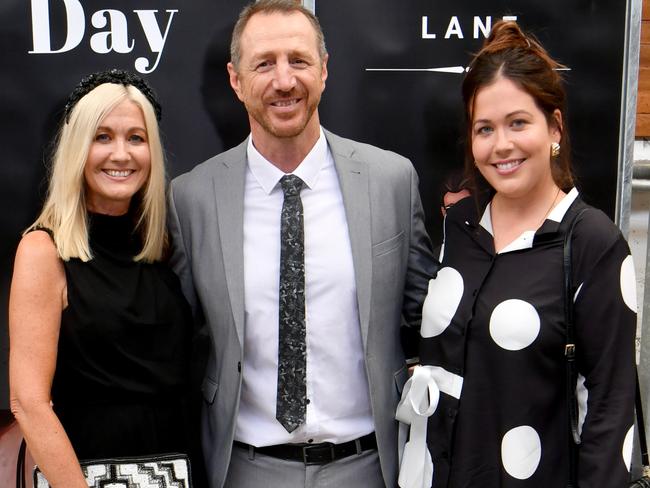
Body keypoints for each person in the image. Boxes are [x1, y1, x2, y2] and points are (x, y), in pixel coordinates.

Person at [167, 1, 436, 487]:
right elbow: (177, 342)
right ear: (235, 79)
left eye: (299, 60)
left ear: (325, 70)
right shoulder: (192, 197)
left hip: (370, 466)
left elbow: (428, 320)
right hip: (244, 468)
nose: (284, 81)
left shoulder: (390, 180)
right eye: (264, 63)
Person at [415, 20, 637, 487]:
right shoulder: (460, 227)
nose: (502, 145)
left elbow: (609, 413)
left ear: (554, 126)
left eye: (518, 123)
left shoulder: (593, 244)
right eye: (485, 129)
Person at [9, 69, 199, 487]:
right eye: (102, 137)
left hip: (180, 465)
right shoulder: (44, 251)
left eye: (136, 138)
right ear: (77, 148)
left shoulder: (162, 247)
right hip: (87, 472)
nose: (121, 154)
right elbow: (29, 403)